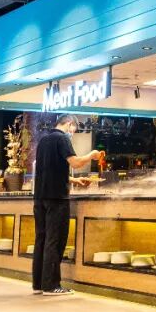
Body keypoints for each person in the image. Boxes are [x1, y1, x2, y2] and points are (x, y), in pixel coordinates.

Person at [33, 114, 103, 296]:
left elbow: (47, 170)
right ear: (70, 124)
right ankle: (51, 286)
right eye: (74, 130)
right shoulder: (62, 138)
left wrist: (73, 180)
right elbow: (76, 162)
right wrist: (92, 155)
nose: (73, 133)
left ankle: (39, 284)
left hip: (40, 197)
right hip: (57, 197)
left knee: (41, 239)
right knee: (54, 240)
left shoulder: (44, 141)